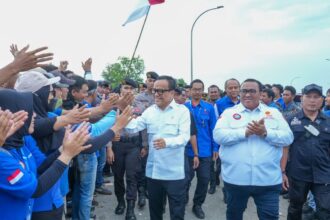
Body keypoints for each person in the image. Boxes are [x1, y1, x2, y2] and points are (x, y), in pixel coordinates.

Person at [0, 89, 90, 220]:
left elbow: (41, 166)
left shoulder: (22, 141)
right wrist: (66, 155)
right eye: (30, 111)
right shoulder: (4, 157)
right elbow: (35, 190)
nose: (34, 116)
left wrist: (62, 150)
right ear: (13, 113)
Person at [213, 78, 294, 220]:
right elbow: (218, 136)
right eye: (244, 91)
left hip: (268, 181)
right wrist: (244, 132)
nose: (247, 94)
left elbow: (288, 138)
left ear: (260, 93)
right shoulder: (229, 113)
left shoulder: (273, 113)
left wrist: (265, 133)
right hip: (236, 180)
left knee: (269, 217)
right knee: (234, 215)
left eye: (252, 91)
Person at [125, 75, 190, 220]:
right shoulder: (150, 111)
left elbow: (184, 138)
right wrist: (123, 114)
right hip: (154, 173)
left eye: (161, 91)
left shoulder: (182, 111)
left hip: (174, 173)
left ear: (172, 93)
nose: (157, 94)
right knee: (155, 212)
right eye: (155, 90)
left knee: (177, 212)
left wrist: (167, 142)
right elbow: (133, 128)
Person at [285, 84, 330, 220]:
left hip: (323, 173)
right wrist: (282, 172)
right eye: (308, 96)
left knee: (325, 210)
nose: (312, 100)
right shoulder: (291, 120)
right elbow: (284, 148)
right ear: (302, 99)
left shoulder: (328, 121)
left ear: (321, 99)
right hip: (298, 173)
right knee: (295, 207)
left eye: (316, 97)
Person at [106, 78, 140, 220]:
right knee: (118, 177)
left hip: (133, 145)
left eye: (131, 88)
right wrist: (109, 148)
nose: (128, 91)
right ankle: (121, 202)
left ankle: (130, 209)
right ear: (120, 89)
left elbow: (144, 128)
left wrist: (144, 146)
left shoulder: (139, 106)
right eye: (126, 87)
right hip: (117, 146)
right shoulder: (113, 106)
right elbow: (107, 128)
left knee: (132, 177)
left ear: (135, 91)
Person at [185, 79, 219, 219]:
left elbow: (214, 129)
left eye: (200, 89)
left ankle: (197, 205)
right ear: (190, 90)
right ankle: (183, 199)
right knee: (185, 179)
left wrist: (215, 147)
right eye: (195, 89)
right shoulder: (184, 108)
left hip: (205, 150)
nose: (197, 92)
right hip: (187, 150)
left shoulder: (209, 108)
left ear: (203, 91)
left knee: (204, 180)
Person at [134, 71, 159, 209]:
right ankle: (141, 193)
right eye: (148, 79)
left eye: (153, 80)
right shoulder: (139, 97)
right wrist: (144, 144)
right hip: (143, 137)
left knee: (154, 165)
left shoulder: (161, 96)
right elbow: (140, 116)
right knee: (141, 167)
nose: (150, 82)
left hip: (158, 138)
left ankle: (151, 189)